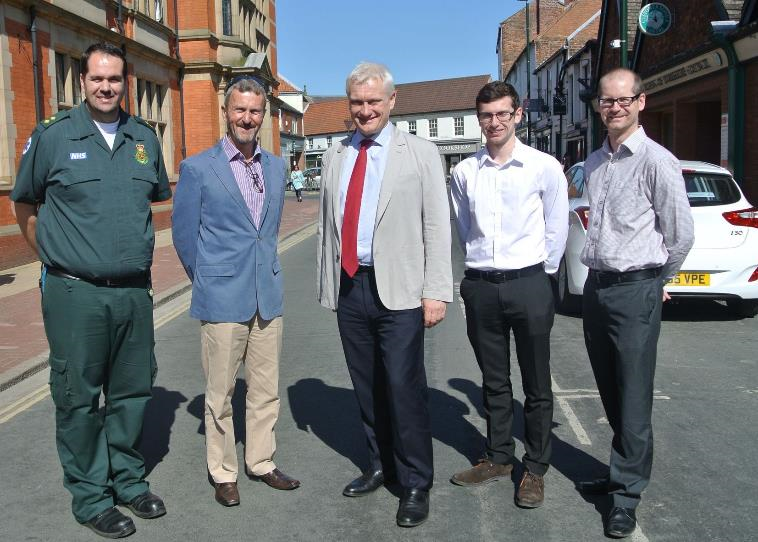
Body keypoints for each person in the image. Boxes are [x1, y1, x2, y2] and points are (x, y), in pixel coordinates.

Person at [10, 42, 170, 538]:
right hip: (75, 293)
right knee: (77, 397)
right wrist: (52, 256)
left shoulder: (143, 138)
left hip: (133, 293)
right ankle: (90, 496)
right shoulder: (53, 137)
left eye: (116, 79)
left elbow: (156, 201)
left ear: (127, 83)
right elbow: (24, 205)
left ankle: (127, 480)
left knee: (131, 392)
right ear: (82, 81)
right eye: (98, 78)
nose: (107, 87)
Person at [315, 62, 452, 528]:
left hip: (401, 289)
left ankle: (415, 481)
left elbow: (436, 224)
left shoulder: (419, 152)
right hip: (353, 287)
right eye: (357, 102)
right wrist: (327, 285)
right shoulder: (337, 154)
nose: (365, 110)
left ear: (392, 102)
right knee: (366, 384)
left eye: (374, 101)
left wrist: (436, 291)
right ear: (348, 105)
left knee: (402, 385)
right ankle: (379, 463)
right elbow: (327, 227)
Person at [172, 75, 300, 508]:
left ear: (264, 115)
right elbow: (186, 239)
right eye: (239, 109)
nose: (247, 118)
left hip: (268, 294)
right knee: (221, 392)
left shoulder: (276, 168)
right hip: (222, 296)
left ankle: (261, 461)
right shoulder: (197, 168)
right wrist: (210, 278)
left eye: (255, 111)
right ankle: (223, 471)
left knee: (266, 389)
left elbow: (268, 231)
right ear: (226, 112)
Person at [577, 68, 694, 538]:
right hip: (597, 288)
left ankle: (626, 496)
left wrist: (653, 281)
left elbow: (680, 235)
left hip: (634, 290)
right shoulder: (596, 161)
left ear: (641, 102)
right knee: (611, 390)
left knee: (634, 396)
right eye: (607, 100)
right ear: (599, 106)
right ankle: (619, 471)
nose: (615, 107)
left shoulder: (657, 161)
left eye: (624, 100)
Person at [449, 81, 568, 508]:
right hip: (481, 286)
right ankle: (499, 456)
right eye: (486, 115)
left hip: (530, 282)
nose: (494, 122)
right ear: (478, 118)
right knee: (494, 380)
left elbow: (557, 227)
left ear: (518, 114)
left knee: (537, 384)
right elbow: (464, 229)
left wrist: (543, 278)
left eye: (502, 113)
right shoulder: (464, 172)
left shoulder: (544, 167)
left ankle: (534, 467)